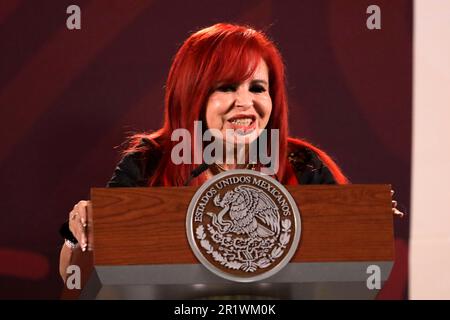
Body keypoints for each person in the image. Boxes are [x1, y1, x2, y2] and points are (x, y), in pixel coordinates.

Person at [59, 23, 381, 281]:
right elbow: (74, 274)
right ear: (192, 94)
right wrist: (80, 233)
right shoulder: (151, 161)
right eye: (227, 87)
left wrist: (365, 220)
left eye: (257, 88)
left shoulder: (303, 164)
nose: (245, 103)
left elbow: (349, 260)